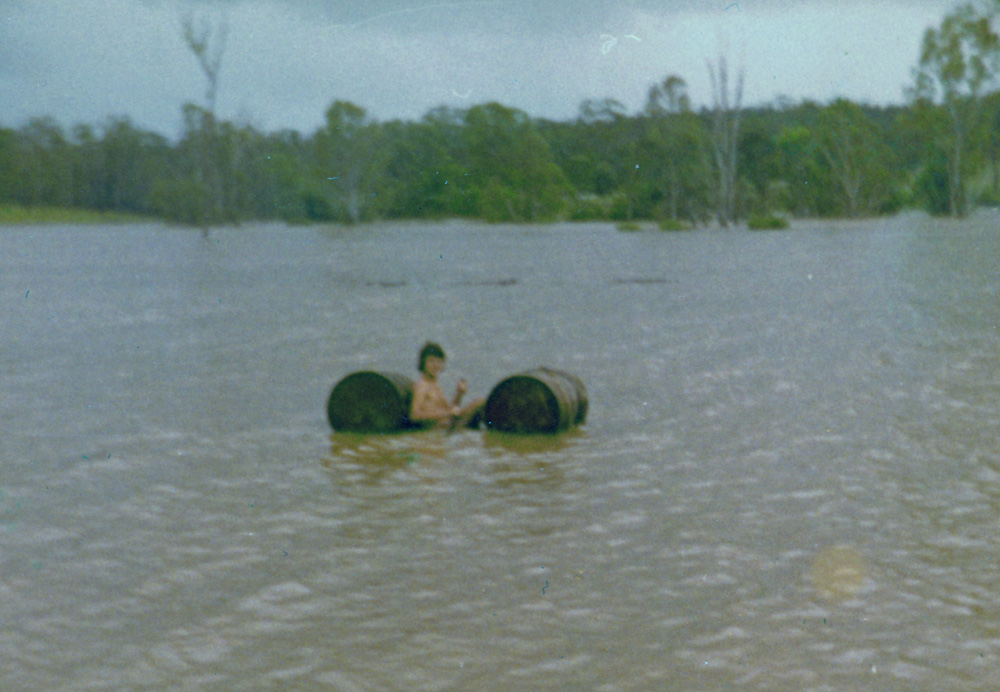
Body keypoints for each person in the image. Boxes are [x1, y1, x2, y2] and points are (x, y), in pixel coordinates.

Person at [410, 342, 484, 429]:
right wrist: (448, 413)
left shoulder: (435, 385)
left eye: (439, 361)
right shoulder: (422, 386)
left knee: (480, 404)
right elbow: (414, 415)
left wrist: (459, 394)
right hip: (440, 429)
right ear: (423, 363)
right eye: (431, 361)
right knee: (479, 402)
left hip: (448, 426)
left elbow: (450, 410)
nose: (436, 365)